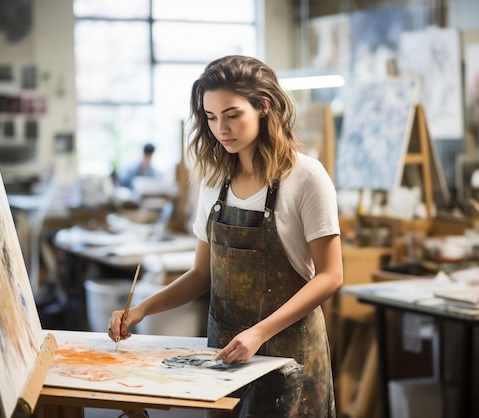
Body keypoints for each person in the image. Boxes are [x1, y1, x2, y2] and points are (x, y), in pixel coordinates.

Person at [108, 55, 343, 417]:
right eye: (211, 117)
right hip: (226, 358)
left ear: (263, 106)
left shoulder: (306, 177)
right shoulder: (214, 181)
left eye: (232, 115)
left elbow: (330, 276)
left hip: (289, 355)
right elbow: (202, 275)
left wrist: (259, 333)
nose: (221, 128)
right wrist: (141, 310)